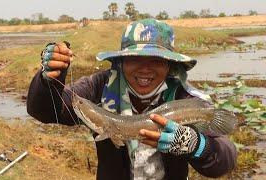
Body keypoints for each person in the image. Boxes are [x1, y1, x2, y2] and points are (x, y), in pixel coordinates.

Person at [27, 18, 237, 180]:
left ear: (170, 65)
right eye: (134, 59)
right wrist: (49, 81)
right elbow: (45, 110)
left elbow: (226, 159)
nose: (145, 68)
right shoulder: (99, 86)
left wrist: (195, 145)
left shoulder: (186, 97)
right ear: (121, 62)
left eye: (156, 60)